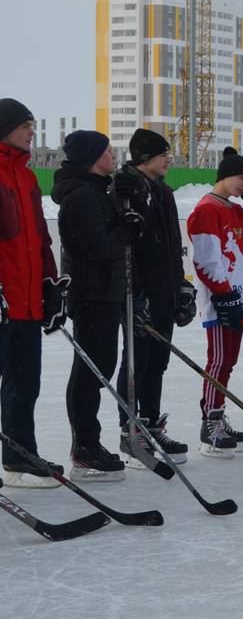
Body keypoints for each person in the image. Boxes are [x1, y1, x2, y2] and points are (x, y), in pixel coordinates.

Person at [53, 130, 142, 480]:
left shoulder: (97, 192)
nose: (114, 155)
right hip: (92, 295)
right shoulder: (82, 198)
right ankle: (85, 446)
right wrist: (126, 229)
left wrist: (122, 209)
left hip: (105, 292)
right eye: (107, 151)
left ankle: (89, 443)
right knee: (90, 371)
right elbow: (99, 248)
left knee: (99, 367)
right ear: (92, 158)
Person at [113, 128, 193, 466]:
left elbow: (172, 245)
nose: (169, 159)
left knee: (157, 361)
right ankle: (130, 429)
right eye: (163, 154)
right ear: (145, 158)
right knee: (137, 361)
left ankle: (151, 421)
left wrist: (182, 286)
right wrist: (136, 295)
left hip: (163, 290)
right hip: (140, 292)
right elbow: (128, 244)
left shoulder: (163, 191)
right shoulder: (125, 188)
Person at [0, 98, 67, 488]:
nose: (32, 133)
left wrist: (48, 283)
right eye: (26, 126)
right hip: (4, 300)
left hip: (25, 302)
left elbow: (40, 239)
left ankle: (19, 457)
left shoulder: (26, 178)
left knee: (25, 383)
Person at [188, 154, 243, 458]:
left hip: (240, 298)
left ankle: (219, 414)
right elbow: (206, 259)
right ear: (225, 175)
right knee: (218, 360)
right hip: (222, 300)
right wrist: (224, 294)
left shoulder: (238, 210)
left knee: (229, 360)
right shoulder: (207, 210)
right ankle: (210, 422)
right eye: (241, 178)